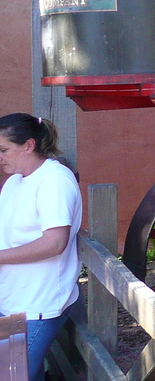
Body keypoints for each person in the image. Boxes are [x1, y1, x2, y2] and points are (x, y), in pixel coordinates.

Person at [0, 114, 81, 381]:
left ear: (29, 145)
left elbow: (55, 243)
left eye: (3, 150)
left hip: (39, 303)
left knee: (14, 377)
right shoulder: (14, 181)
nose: (0, 157)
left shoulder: (54, 180)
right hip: (12, 298)